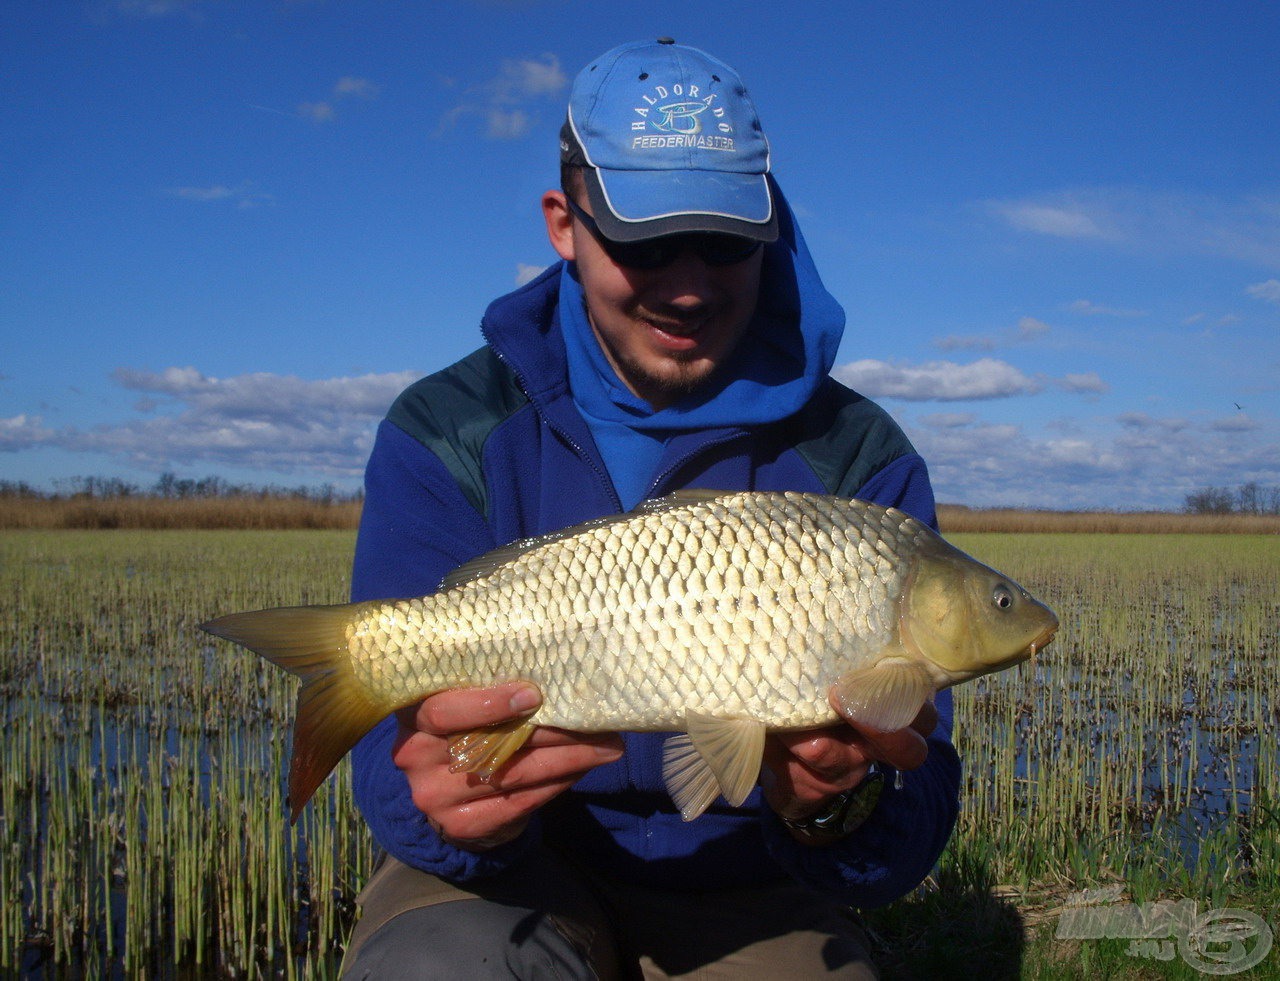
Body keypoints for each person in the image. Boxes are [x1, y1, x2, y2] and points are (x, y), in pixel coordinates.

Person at [340, 38, 960, 980]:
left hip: (748, 883)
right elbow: (398, 771)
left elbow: (911, 807)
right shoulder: (448, 431)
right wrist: (447, 808)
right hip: (515, 877)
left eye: (722, 241)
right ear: (564, 222)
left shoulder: (859, 460)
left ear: (768, 227)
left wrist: (834, 806)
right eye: (645, 240)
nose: (687, 283)